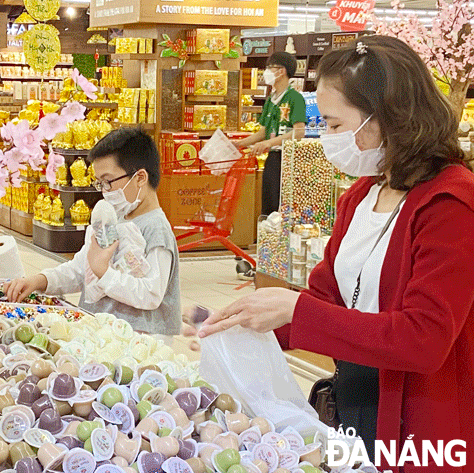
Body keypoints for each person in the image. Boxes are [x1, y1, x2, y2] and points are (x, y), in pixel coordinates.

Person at [198, 35, 474, 471]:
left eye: (334, 123)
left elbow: (424, 339)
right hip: (353, 402)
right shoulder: (362, 194)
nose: (326, 138)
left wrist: (296, 310)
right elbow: (326, 298)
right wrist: (235, 329)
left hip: (417, 422)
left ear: (386, 117)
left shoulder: (450, 204)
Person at [4, 128, 182, 336]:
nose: (104, 191)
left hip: (134, 340)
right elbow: (81, 269)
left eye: (108, 181)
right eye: (100, 183)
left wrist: (104, 273)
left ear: (140, 177)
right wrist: (40, 281)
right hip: (98, 329)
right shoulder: (115, 217)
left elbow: (151, 293)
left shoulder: (155, 229)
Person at [235, 52, 306, 280]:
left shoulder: (295, 98)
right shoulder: (271, 98)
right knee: (267, 206)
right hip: (273, 160)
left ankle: (278, 261)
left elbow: (298, 132)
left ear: (281, 70)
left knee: (279, 207)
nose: (266, 72)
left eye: (270, 67)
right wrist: (241, 143)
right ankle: (266, 260)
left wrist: (269, 144)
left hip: (287, 159)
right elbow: (263, 131)